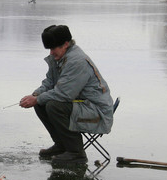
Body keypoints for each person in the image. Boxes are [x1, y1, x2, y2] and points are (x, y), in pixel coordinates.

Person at [19, 25, 114, 165]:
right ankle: (62, 145)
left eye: (53, 48)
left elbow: (64, 94)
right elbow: (50, 82)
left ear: (65, 44)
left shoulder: (76, 61)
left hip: (97, 113)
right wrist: (36, 94)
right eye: (49, 49)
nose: (51, 53)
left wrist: (37, 99)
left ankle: (76, 153)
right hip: (83, 106)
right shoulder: (60, 58)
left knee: (53, 105)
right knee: (41, 104)